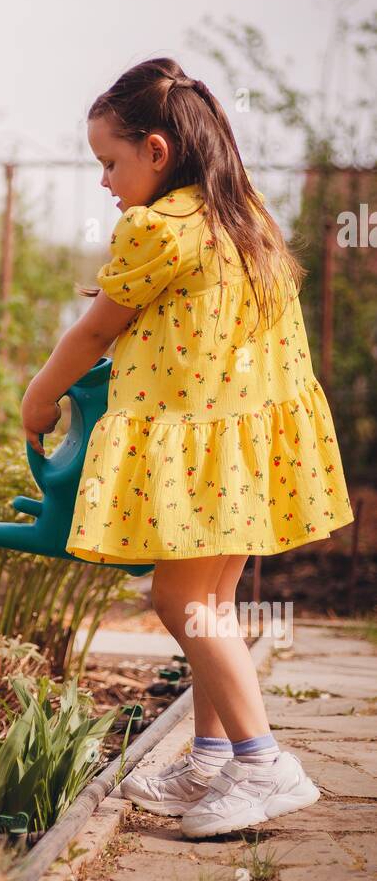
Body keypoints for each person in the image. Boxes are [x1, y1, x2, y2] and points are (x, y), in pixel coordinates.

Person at [21, 57, 354, 837]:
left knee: (180, 601)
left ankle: (266, 764)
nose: (105, 180)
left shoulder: (157, 227)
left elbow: (96, 329)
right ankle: (212, 757)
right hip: (246, 441)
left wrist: (40, 393)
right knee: (210, 603)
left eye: (110, 161)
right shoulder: (243, 216)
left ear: (157, 152)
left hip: (205, 440)